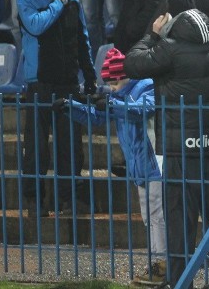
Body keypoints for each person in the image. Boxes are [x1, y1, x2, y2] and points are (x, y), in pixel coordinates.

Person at [124, 7, 209, 289]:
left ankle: (179, 280)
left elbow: (132, 64)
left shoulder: (169, 48)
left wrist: (151, 34)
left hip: (178, 149)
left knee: (178, 218)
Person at [59, 48, 167, 286]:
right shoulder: (122, 95)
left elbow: (142, 110)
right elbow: (98, 116)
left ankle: (164, 264)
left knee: (157, 216)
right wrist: (71, 107)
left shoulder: (146, 87)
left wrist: (110, 104)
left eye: (111, 83)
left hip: (156, 164)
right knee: (151, 217)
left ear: (121, 77)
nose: (110, 87)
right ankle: (158, 262)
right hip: (141, 166)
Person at [19, 0, 96, 217]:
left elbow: (82, 37)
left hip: (68, 82)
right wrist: (58, 3)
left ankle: (69, 199)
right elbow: (36, 25)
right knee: (36, 149)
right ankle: (35, 201)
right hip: (38, 83)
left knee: (70, 147)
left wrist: (90, 75)